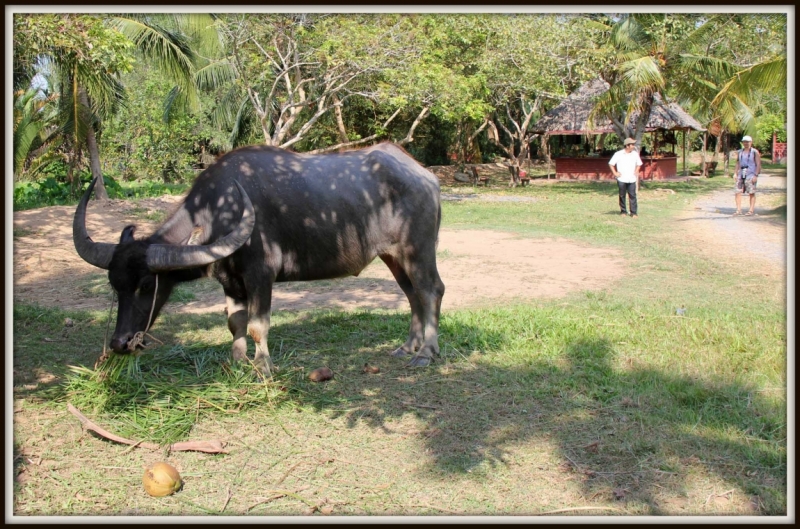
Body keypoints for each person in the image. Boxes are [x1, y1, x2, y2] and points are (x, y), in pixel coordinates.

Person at [608, 137, 643, 217]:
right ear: (627, 146)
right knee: (622, 195)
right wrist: (615, 173)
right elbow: (611, 164)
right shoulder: (618, 154)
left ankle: (633, 213)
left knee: (632, 195)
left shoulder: (635, 154)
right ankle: (623, 211)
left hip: (631, 178)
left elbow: (639, 164)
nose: (633, 146)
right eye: (632, 144)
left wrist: (636, 170)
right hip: (622, 178)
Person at [733, 135, 761, 216]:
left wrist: (756, 175)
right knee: (737, 191)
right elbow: (738, 163)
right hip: (741, 174)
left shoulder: (754, 152)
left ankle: (751, 210)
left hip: (751, 174)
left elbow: (758, 163)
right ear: (742, 142)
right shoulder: (740, 152)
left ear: (751, 142)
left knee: (751, 192)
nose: (746, 143)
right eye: (744, 142)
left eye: (748, 142)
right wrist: (735, 173)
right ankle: (738, 210)